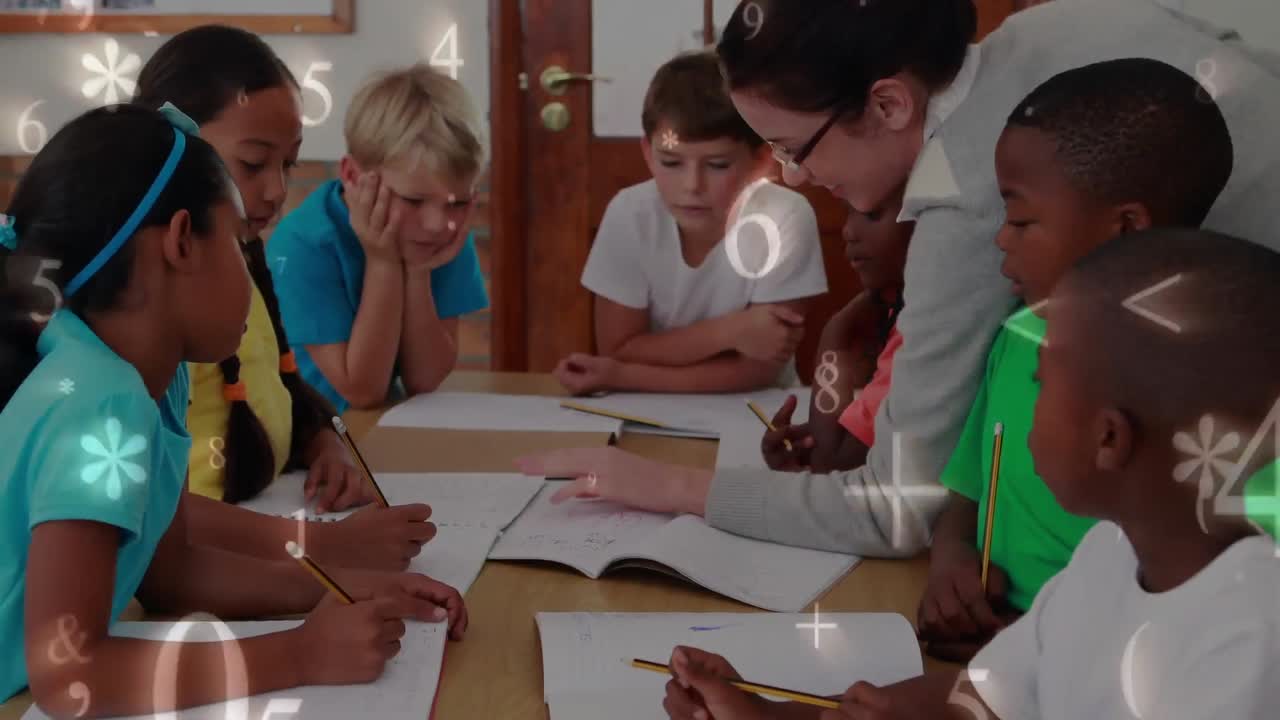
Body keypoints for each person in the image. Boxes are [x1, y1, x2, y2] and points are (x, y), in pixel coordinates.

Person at [518, 0, 1280, 559]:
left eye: (794, 147)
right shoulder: (1035, 34)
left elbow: (894, 509)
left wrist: (662, 486)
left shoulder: (972, 197)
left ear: (888, 102)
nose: (795, 177)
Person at [660, 229, 1280, 720]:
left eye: (1042, 383)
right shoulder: (1109, 555)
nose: (1027, 402)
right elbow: (988, 699)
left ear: (1109, 438)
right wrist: (782, 716)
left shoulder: (1247, 645)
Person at [0, 105, 467, 713]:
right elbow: (70, 674)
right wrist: (298, 654)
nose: (251, 268)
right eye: (237, 239)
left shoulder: (143, 382)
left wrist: (346, 585)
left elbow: (173, 573)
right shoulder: (101, 405)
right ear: (181, 242)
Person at [919, 57, 1235, 662]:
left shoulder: (1211, 391)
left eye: (1021, 218)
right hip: (983, 647)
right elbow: (968, 485)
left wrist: (1036, 647)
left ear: (1124, 229)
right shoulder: (1018, 334)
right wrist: (950, 561)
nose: (1000, 238)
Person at [133, 25, 437, 573]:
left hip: (265, 525)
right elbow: (147, 512)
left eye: (289, 164)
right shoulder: (139, 301)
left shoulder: (242, 257)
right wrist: (321, 546)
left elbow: (278, 385)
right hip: (202, 562)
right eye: (253, 164)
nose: (277, 190)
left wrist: (321, 443)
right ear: (171, 149)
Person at [553, 50, 826, 395]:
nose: (692, 186)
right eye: (671, 162)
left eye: (717, 165)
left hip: (758, 405)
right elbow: (619, 349)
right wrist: (731, 331)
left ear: (760, 162)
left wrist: (622, 375)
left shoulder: (786, 218)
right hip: (643, 402)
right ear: (648, 154)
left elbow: (759, 368)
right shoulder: (629, 215)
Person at [268, 64, 489, 412]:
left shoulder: (436, 234)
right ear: (354, 176)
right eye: (413, 200)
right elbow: (361, 390)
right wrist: (384, 262)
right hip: (308, 435)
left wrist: (417, 273)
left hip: (379, 431)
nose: (436, 223)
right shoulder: (304, 244)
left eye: (459, 202)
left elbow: (425, 379)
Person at [761, 197, 911, 473]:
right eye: (848, 214)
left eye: (873, 214)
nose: (848, 231)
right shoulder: (900, 317)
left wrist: (836, 338)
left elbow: (830, 469)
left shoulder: (915, 335)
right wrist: (817, 445)